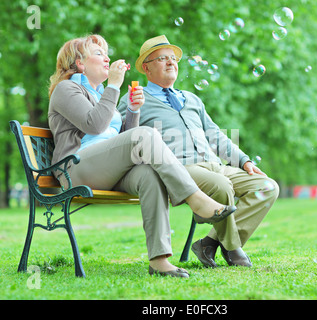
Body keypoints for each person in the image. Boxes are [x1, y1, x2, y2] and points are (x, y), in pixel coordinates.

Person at [48, 34, 236, 278]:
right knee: (146, 134)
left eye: (106, 53)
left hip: (105, 170)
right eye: (99, 54)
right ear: (80, 63)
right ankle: (195, 199)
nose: (107, 58)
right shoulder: (67, 88)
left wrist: (133, 111)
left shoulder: (100, 93)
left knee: (149, 174)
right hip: (76, 169)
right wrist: (115, 86)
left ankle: (159, 260)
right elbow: (94, 126)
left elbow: (123, 137)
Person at [117, 35, 280, 268]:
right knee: (221, 186)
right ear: (146, 68)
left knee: (267, 187)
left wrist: (244, 161)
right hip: (180, 170)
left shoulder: (191, 99)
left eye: (173, 58)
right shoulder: (135, 98)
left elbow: (215, 135)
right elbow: (124, 139)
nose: (171, 62)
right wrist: (134, 109)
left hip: (216, 165)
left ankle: (209, 243)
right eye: (162, 58)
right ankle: (233, 249)